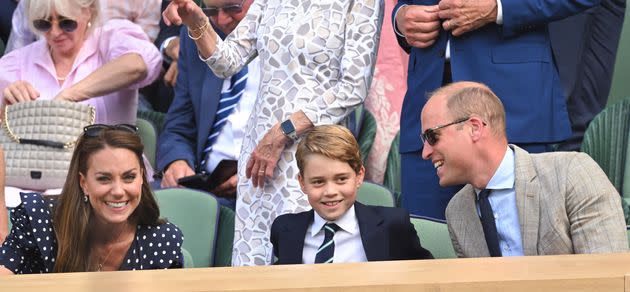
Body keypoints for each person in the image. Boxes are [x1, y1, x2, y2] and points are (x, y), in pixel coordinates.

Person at [162, 0, 384, 265]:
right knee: (252, 259)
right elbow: (227, 62)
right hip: (261, 156)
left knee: (302, 262)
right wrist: (197, 22)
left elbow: (353, 88)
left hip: (313, 154)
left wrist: (282, 132)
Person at [392, 0, 601, 220]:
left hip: (512, 106)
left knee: (525, 242)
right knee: (427, 242)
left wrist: (499, 8)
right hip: (427, 105)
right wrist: (401, 18)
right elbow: (405, 6)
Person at [420, 81, 628, 258]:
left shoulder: (571, 174)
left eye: (432, 136)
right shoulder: (458, 211)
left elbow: (610, 278)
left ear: (474, 127)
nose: (425, 152)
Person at [0, 124, 184, 274]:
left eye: (129, 177)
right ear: (83, 182)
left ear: (142, 178)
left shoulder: (162, 240)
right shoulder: (40, 221)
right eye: (104, 178)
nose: (118, 191)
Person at [271, 125, 433, 264]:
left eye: (341, 179)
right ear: (302, 183)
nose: (330, 192)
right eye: (318, 182)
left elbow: (424, 275)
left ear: (359, 176)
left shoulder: (393, 225)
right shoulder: (285, 230)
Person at [156, 0, 259, 210]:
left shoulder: (291, 41)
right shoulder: (196, 35)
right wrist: (176, 161)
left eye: (232, 9)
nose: (221, 20)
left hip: (266, 188)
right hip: (204, 185)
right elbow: (180, 122)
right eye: (211, 11)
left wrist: (258, 176)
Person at [6, 0, 162, 53]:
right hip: (37, 83)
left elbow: (142, 60)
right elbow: (15, 53)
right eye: (44, 23)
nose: (55, 32)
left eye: (66, 22)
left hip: (111, 86)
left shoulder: (115, 33)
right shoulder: (33, 3)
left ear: (90, 12)